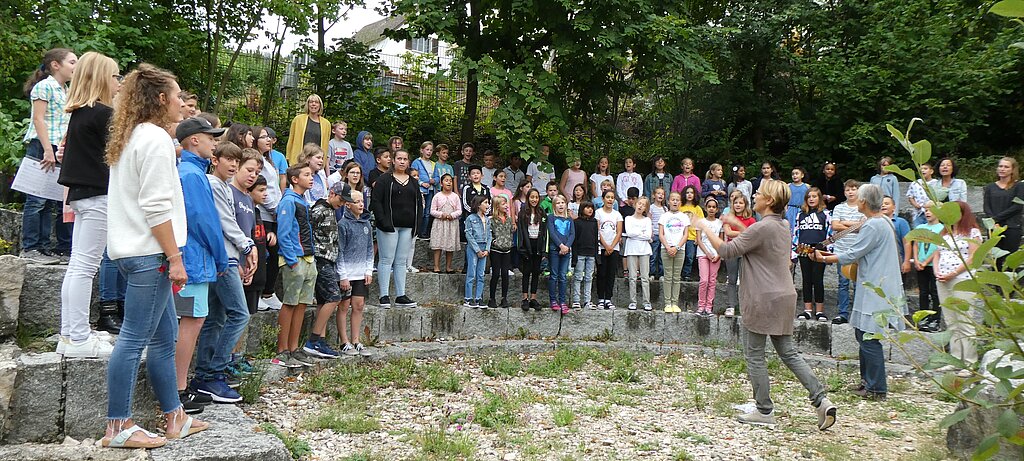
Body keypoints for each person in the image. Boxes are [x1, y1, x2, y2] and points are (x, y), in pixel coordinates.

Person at [102, 63, 207, 449]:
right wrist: (175, 257)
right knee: (133, 339)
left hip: (132, 252)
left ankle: (175, 416)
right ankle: (118, 427)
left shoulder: (131, 136)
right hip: (151, 254)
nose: (183, 103)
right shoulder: (157, 140)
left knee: (164, 335)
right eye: (178, 95)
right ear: (161, 99)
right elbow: (156, 205)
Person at [697, 179, 837, 430]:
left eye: (759, 193)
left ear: (769, 201)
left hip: (762, 298)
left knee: (754, 354)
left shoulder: (761, 229)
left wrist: (704, 228)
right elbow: (749, 238)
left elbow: (728, 250)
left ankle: (764, 410)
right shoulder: (782, 225)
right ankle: (821, 400)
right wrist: (735, 224)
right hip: (784, 296)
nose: (755, 196)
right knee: (788, 352)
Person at [813, 184, 906, 400]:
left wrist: (826, 258)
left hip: (877, 284)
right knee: (862, 332)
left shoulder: (874, 225)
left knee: (868, 336)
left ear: (863, 202)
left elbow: (855, 252)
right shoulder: (878, 221)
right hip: (875, 282)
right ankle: (868, 382)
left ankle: (877, 388)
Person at [56, 52, 121, 355]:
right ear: (101, 78)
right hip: (99, 195)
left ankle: (70, 333)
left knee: (78, 265)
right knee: (85, 267)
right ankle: (79, 338)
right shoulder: (104, 114)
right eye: (114, 76)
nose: (118, 82)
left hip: (82, 194)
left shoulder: (80, 112)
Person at [193, 141, 256, 404]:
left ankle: (204, 375)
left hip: (226, 257)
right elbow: (224, 222)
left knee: (216, 318)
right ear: (215, 159)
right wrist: (247, 245)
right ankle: (214, 372)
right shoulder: (214, 184)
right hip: (222, 258)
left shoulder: (224, 187)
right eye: (228, 159)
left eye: (236, 161)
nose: (233, 165)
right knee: (239, 314)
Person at [173, 118, 229, 412]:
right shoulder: (193, 175)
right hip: (195, 260)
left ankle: (180, 387)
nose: (214, 143)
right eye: (210, 138)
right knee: (191, 323)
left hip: (191, 258)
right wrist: (222, 257)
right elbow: (205, 221)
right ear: (194, 140)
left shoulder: (190, 171)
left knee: (190, 322)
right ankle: (179, 390)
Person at [21, 48, 77, 264]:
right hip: (42, 146)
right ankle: (30, 247)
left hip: (59, 148)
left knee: (52, 199)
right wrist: (47, 149)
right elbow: (38, 119)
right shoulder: (45, 86)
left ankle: (45, 247)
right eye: (72, 62)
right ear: (56, 65)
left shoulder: (66, 90)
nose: (76, 67)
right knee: (36, 198)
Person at [271, 163, 318, 368]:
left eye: (312, 175)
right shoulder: (288, 201)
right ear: (294, 179)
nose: (311, 178)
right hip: (295, 260)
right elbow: (283, 232)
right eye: (307, 175)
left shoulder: (302, 200)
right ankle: (281, 350)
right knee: (289, 303)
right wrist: (291, 260)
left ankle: (293, 347)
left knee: (302, 304)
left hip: (308, 258)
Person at [930, 201, 982, 379]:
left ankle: (970, 363)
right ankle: (954, 360)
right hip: (942, 279)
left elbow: (973, 257)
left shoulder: (972, 232)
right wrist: (936, 270)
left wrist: (953, 273)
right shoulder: (944, 232)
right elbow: (937, 253)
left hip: (962, 279)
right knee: (951, 322)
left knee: (965, 321)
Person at [301, 181, 347, 360]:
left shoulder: (331, 211)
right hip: (321, 258)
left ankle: (320, 339)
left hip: (330, 259)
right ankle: (312, 341)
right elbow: (308, 232)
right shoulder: (319, 210)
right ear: (332, 194)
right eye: (341, 200)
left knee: (323, 300)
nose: (342, 204)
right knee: (334, 297)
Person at [371, 148, 422, 308]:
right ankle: (384, 295)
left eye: (405, 159)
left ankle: (401, 295)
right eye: (398, 158)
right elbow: (376, 202)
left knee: (401, 261)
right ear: (393, 160)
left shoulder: (413, 182)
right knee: (386, 259)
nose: (402, 161)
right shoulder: (385, 179)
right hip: (389, 226)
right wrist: (383, 221)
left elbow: (419, 204)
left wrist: (417, 225)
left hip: (407, 227)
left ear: (408, 162)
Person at [335, 185, 374, 356]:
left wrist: (368, 270)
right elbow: (340, 251)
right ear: (348, 204)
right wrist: (343, 275)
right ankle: (344, 341)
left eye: (362, 201)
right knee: (344, 305)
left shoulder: (366, 223)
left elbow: (369, 249)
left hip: (361, 272)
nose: (360, 204)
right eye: (356, 201)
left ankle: (356, 339)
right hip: (347, 273)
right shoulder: (343, 224)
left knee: (358, 305)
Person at [829, 180, 864, 325]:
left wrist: (845, 224)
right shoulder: (838, 207)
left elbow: (864, 226)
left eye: (854, 189)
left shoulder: (863, 208)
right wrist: (854, 225)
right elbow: (834, 225)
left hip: (858, 250)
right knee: (842, 283)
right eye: (848, 189)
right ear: (844, 192)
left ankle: (857, 312)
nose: (851, 192)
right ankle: (842, 313)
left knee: (857, 283)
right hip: (841, 250)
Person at [794, 188, 831, 322]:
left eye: (814, 196)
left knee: (818, 279)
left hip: (819, 250)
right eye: (809, 196)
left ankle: (820, 311)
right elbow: (796, 233)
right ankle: (807, 309)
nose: (811, 199)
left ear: (819, 198)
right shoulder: (800, 214)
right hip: (804, 249)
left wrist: (826, 250)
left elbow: (830, 232)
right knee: (806, 279)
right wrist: (794, 251)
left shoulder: (826, 214)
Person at [983, 157, 1023, 270]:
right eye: (1000, 166)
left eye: (1006, 167)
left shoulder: (1019, 186)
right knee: (996, 260)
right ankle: (997, 286)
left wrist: (995, 219)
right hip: (993, 228)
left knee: (1010, 259)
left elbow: (1017, 206)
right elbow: (986, 207)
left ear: (1012, 170)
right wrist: (992, 222)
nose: (1002, 169)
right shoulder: (990, 187)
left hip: (1012, 226)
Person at [723, 191, 755, 318]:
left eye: (740, 203)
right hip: (731, 251)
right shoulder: (728, 218)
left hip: (745, 252)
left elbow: (752, 235)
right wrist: (743, 231)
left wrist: (738, 231)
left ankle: (744, 306)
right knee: (731, 279)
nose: (738, 205)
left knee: (745, 280)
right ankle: (731, 306)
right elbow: (728, 233)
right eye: (735, 202)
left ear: (745, 205)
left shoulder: (751, 219)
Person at [911, 203, 942, 332]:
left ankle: (935, 319)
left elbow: (938, 248)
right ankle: (923, 317)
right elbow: (916, 244)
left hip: (933, 265)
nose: (927, 213)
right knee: (923, 292)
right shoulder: (920, 227)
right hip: (920, 265)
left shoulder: (942, 228)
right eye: (926, 210)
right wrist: (917, 260)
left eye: (931, 210)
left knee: (935, 292)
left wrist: (926, 261)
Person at [659, 192, 689, 313]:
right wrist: (668, 247)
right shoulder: (664, 216)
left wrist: (676, 247)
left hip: (680, 249)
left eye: (677, 200)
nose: (675, 202)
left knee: (676, 277)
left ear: (680, 202)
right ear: (669, 201)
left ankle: (674, 303)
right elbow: (661, 234)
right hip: (665, 249)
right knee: (668, 276)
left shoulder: (684, 217)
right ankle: (667, 303)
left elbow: (685, 235)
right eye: (673, 199)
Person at [517, 188, 546, 311]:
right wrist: (522, 247)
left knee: (536, 271)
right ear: (528, 198)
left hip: (538, 245)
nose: (534, 199)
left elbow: (544, 231)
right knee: (526, 271)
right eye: (532, 197)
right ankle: (525, 298)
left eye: (536, 197)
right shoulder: (523, 212)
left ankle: (533, 297)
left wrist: (544, 249)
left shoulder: (542, 212)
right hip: (527, 244)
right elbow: (520, 231)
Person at [623, 195, 654, 311]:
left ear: (646, 208)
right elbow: (629, 233)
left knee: (645, 277)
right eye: (639, 203)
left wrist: (641, 235)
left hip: (644, 250)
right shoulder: (628, 219)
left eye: (643, 205)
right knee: (632, 277)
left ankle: (646, 301)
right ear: (635, 204)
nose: (640, 206)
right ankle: (633, 301)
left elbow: (648, 235)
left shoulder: (647, 220)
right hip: (631, 249)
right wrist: (642, 233)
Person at [547, 195, 575, 313]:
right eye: (558, 203)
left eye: (562, 202)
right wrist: (561, 245)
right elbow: (552, 233)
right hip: (555, 249)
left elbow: (572, 234)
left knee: (563, 276)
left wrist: (567, 246)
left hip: (566, 251)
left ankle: (562, 301)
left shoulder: (569, 219)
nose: (560, 205)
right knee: (554, 275)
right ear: (554, 205)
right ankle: (553, 300)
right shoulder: (551, 217)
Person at [595, 190, 623, 310]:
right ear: (603, 199)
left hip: (614, 248)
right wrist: (606, 246)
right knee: (601, 273)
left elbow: (619, 232)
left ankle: (608, 299)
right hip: (601, 247)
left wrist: (611, 246)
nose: (610, 200)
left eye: (612, 198)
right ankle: (601, 298)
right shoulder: (598, 213)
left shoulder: (617, 214)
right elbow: (597, 231)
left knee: (611, 274)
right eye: (608, 197)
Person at [695, 197, 723, 315]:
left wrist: (718, 254)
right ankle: (701, 306)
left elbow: (721, 240)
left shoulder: (719, 223)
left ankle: (708, 306)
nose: (711, 209)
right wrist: (707, 253)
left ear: (717, 209)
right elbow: (699, 240)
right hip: (703, 253)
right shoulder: (701, 222)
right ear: (705, 208)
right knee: (704, 280)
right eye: (709, 207)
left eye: (714, 207)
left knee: (712, 281)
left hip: (716, 255)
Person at [464, 196, 491, 308]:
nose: (488, 205)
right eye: (485, 202)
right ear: (479, 205)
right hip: (474, 247)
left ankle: (478, 297)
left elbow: (490, 235)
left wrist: (487, 249)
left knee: (481, 274)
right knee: (471, 273)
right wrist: (477, 250)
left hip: (484, 247)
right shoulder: (471, 218)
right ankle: (468, 298)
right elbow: (469, 235)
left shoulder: (488, 219)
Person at [286, 94, 330, 164]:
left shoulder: (326, 124)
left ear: (320, 105)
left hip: (316, 161)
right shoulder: (298, 119)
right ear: (307, 104)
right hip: (299, 159)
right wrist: (288, 157)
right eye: (311, 102)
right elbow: (291, 139)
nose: (313, 104)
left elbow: (326, 144)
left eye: (316, 102)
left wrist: (323, 161)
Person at [431, 174, 461, 273]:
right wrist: (441, 214)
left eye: (450, 181)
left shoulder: (455, 196)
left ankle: (448, 267)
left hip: (451, 223)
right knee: (438, 245)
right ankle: (436, 266)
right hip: (440, 223)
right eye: (446, 180)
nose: (449, 182)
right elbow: (432, 211)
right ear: (441, 183)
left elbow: (459, 210)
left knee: (450, 245)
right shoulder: (437, 196)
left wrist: (452, 215)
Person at [489, 196, 514, 308]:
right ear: (497, 206)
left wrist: (509, 242)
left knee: (505, 273)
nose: (506, 206)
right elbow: (490, 234)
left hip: (507, 250)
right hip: (496, 250)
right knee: (495, 273)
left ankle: (504, 298)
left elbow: (510, 233)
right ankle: (492, 298)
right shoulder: (492, 220)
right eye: (503, 204)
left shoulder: (509, 219)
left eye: (506, 204)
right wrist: (495, 242)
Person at [572, 202, 598, 310]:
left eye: (591, 208)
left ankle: (587, 300)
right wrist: (574, 255)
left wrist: (597, 255)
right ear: (582, 209)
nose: (590, 210)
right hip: (580, 253)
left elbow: (595, 238)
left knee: (589, 277)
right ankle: (576, 300)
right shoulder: (577, 222)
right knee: (578, 277)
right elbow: (574, 239)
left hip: (591, 253)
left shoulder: (594, 222)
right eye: (587, 208)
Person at [679, 185, 705, 281]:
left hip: (692, 236)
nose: (689, 195)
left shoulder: (697, 208)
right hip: (680, 237)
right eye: (687, 192)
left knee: (689, 256)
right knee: (680, 256)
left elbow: (701, 224)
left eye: (691, 193)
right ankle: (679, 273)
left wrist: (699, 238)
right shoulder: (680, 207)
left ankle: (686, 274)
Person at [412, 141, 437, 239]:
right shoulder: (416, 162)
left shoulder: (433, 164)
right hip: (420, 190)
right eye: (427, 149)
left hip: (431, 190)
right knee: (419, 211)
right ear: (422, 150)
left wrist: (434, 180)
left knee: (428, 212)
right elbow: (412, 175)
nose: (429, 152)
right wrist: (422, 183)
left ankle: (424, 232)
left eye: (431, 150)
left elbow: (437, 177)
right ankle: (417, 231)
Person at [906, 161, 937, 227]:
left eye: (925, 169)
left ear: (931, 171)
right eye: (921, 170)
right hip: (918, 213)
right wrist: (915, 204)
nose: (923, 171)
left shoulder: (936, 183)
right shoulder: (915, 183)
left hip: (933, 212)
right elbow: (910, 196)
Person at [648, 187, 668, 280]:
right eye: (658, 193)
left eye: (662, 194)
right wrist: (650, 232)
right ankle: (651, 273)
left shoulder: (665, 209)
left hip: (663, 235)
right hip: (654, 234)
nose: (661, 195)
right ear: (653, 195)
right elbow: (649, 221)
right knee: (653, 255)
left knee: (662, 256)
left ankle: (661, 274)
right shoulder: (651, 208)